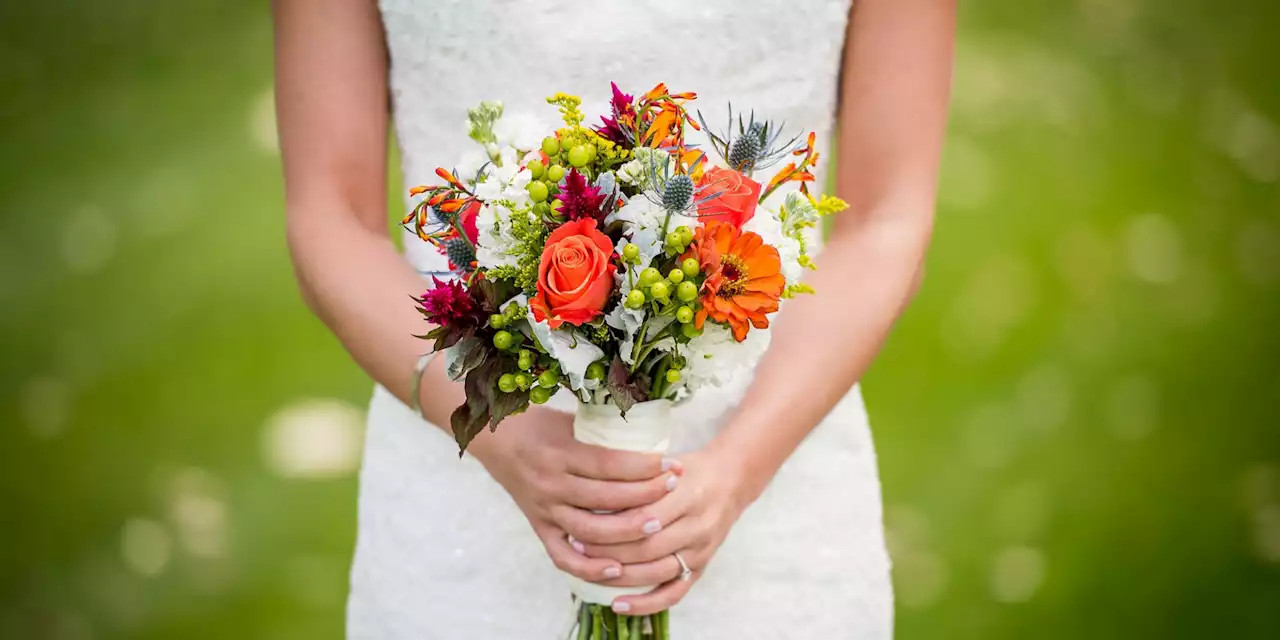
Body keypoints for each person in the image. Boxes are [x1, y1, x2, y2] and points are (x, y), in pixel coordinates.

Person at [273, 0, 952, 637]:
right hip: (458, 486)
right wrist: (502, 441)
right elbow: (332, 215)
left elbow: (885, 218)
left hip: (779, 492)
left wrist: (738, 468)